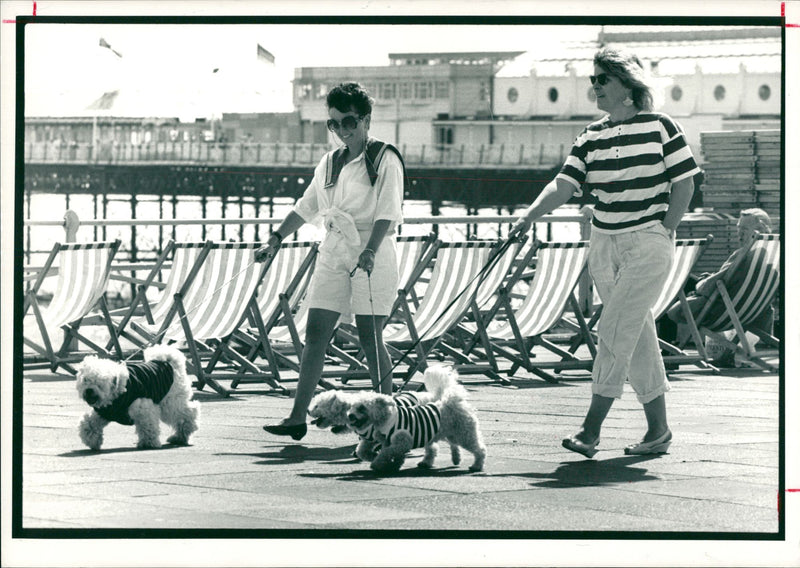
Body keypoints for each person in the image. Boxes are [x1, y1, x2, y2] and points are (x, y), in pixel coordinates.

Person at [509, 48, 701, 457]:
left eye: (602, 79)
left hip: (647, 241)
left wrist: (664, 230)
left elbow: (685, 183)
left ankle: (590, 429)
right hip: (603, 243)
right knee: (637, 334)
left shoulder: (661, 127)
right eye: (593, 79)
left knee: (613, 329)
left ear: (627, 86)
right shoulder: (591, 135)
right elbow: (564, 184)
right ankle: (659, 431)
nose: (593, 86)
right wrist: (528, 215)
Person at [256, 82, 405, 441]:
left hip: (372, 250)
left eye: (349, 122)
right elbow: (306, 206)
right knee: (315, 335)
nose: (341, 131)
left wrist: (369, 250)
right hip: (334, 251)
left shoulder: (384, 157)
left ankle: (392, 418)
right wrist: (276, 238)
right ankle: (296, 417)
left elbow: (388, 212)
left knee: (370, 338)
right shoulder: (330, 162)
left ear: (366, 119)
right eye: (334, 124)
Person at [661, 208, 774, 363]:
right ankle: (668, 350)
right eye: (738, 229)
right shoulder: (770, 261)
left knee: (674, 284)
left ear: (760, 231)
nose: (739, 234)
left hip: (717, 311)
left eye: (745, 230)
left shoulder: (743, 256)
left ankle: (667, 352)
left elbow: (705, 287)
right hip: (740, 310)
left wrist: (702, 282)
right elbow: (727, 280)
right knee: (681, 283)